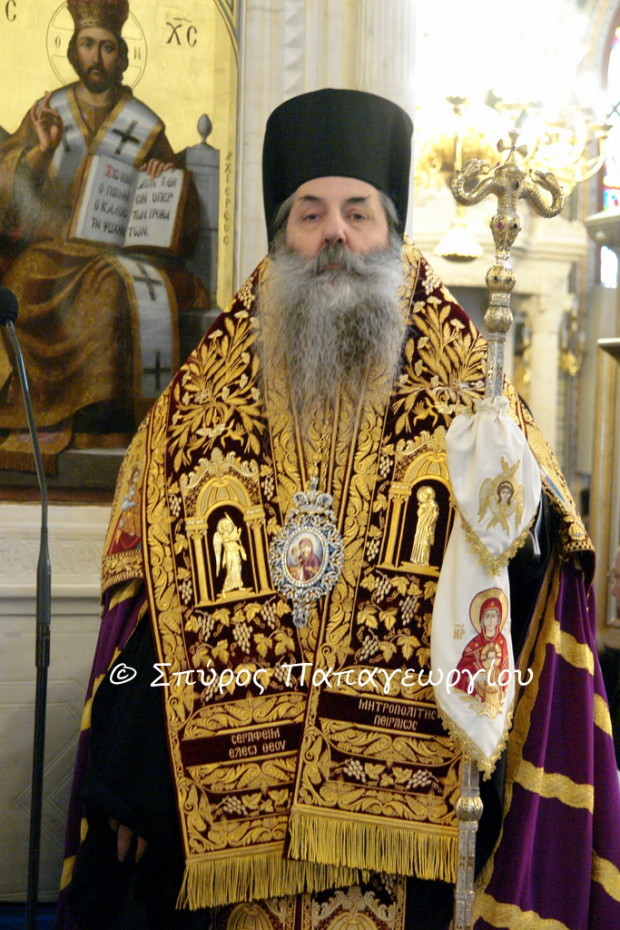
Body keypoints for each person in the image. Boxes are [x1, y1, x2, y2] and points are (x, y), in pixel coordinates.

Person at [57, 89, 620, 930]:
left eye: (358, 213)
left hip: (418, 804)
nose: (334, 237)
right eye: (310, 214)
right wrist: (133, 778)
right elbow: (153, 597)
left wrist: (514, 503)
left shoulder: (469, 386)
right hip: (232, 822)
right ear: (280, 234)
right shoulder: (200, 401)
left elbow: (541, 569)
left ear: (391, 231)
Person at [0, 0, 208, 464]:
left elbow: (184, 210)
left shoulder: (143, 123)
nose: (96, 57)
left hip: (120, 253)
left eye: (107, 47)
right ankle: (40, 415)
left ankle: (100, 424)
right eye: (87, 45)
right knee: (24, 280)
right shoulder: (48, 111)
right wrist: (42, 149)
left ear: (122, 55)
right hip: (55, 246)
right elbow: (8, 191)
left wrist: (161, 176)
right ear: (73, 50)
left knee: (109, 288)